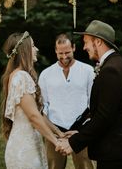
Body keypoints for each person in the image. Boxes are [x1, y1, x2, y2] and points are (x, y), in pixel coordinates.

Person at [56, 20, 122, 169]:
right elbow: (101, 111)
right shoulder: (114, 63)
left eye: (86, 42)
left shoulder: (111, 70)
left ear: (98, 41)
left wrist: (73, 143)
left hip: (115, 150)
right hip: (116, 148)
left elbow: (104, 117)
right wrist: (79, 131)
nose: (84, 47)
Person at [1, 31, 64, 169]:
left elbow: (38, 113)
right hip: (24, 151)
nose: (36, 49)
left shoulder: (17, 75)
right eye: (33, 46)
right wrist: (55, 142)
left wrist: (59, 133)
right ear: (24, 51)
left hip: (30, 144)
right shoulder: (21, 77)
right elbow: (33, 116)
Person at [39, 33, 94, 169]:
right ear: (55, 50)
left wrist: (84, 128)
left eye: (67, 52)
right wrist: (55, 131)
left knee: (85, 166)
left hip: (81, 131)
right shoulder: (46, 74)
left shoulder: (87, 70)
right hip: (54, 131)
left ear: (74, 48)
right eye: (60, 53)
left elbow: (92, 102)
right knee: (53, 167)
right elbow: (43, 105)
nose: (64, 57)